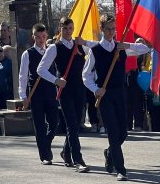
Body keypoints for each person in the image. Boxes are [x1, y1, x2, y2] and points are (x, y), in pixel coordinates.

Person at [82, 14, 149, 181]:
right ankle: (121, 169)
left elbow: (145, 48)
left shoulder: (121, 47)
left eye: (114, 29)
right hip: (105, 94)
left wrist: (126, 44)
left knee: (123, 132)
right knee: (112, 131)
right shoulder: (95, 50)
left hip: (121, 93)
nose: (112, 32)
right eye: (109, 29)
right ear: (102, 30)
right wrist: (96, 89)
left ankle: (110, 152)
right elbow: (86, 75)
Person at [37, 17, 95, 172]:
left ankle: (66, 152)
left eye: (70, 28)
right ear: (60, 29)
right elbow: (41, 69)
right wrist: (56, 80)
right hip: (64, 90)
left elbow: (98, 48)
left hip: (79, 89)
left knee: (76, 123)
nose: (68, 31)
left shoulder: (79, 46)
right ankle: (78, 159)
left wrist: (85, 42)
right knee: (72, 124)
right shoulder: (54, 47)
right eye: (65, 28)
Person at [19, 23, 59, 165]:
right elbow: (23, 76)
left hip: (50, 91)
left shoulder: (51, 51)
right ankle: (44, 155)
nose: (41, 40)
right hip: (35, 93)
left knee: (54, 122)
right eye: (38, 37)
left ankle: (46, 144)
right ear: (33, 37)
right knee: (40, 125)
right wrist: (23, 96)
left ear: (46, 36)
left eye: (43, 37)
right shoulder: (28, 53)